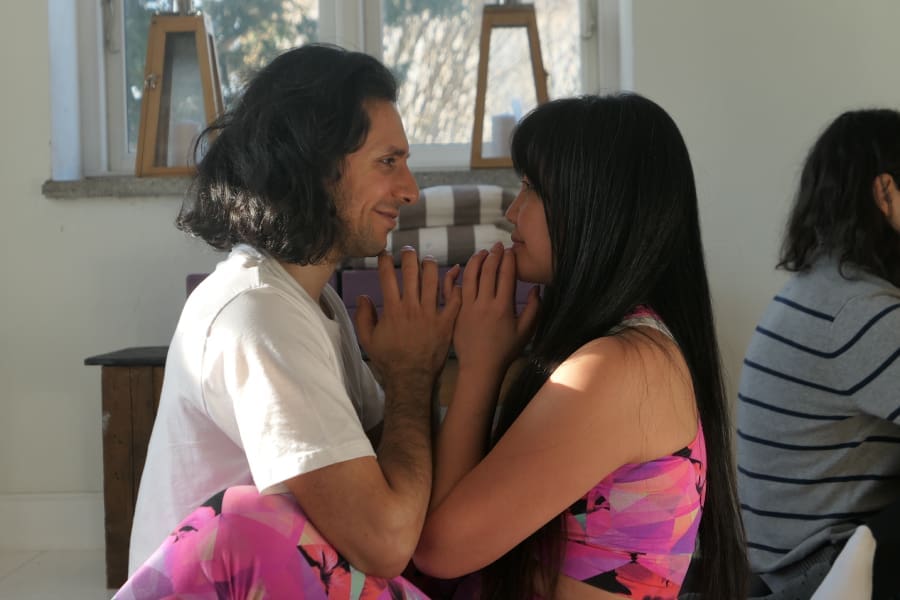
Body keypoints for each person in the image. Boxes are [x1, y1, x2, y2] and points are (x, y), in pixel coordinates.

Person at [119, 92, 748, 600]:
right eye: (387, 162)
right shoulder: (622, 351)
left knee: (240, 528)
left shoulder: (623, 365)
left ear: (594, 210)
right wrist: (447, 369)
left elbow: (436, 548)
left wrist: (467, 368)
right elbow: (411, 507)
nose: (513, 212)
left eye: (533, 189)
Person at [124, 42, 460, 586]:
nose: (409, 190)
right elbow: (387, 540)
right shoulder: (257, 313)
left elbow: (390, 467)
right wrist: (413, 377)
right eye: (388, 162)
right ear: (317, 167)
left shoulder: (311, 299)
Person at [737, 109, 900, 599]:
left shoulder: (826, 288)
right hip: (818, 569)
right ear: (886, 193)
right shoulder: (861, 312)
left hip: (789, 559)